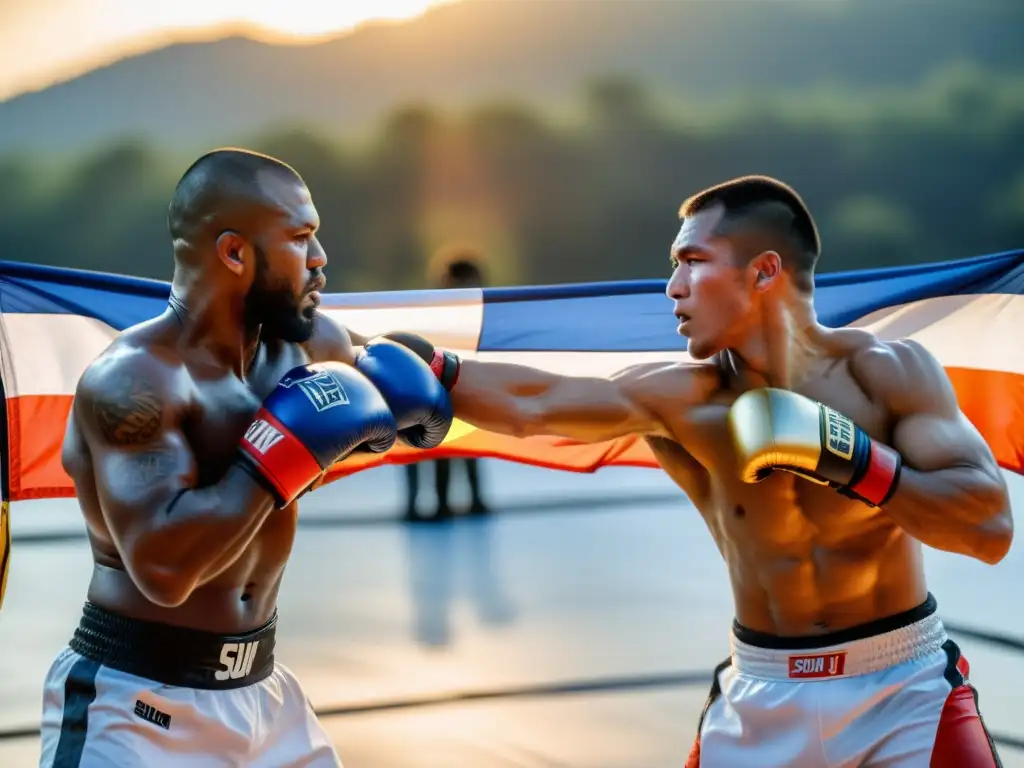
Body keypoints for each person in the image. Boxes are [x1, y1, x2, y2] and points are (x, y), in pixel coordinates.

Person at [374, 176, 1013, 766]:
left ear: (764, 272)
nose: (673, 287)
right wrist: (428, 368)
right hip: (762, 696)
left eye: (692, 262)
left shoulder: (888, 374)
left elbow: (988, 528)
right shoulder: (678, 400)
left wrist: (855, 461)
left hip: (903, 694)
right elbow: (534, 401)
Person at [40, 148, 453, 767]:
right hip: (136, 708)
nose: (320, 259)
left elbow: (440, 385)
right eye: (301, 237)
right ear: (235, 253)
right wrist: (273, 460)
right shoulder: (135, 383)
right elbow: (162, 572)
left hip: (265, 695)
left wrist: (438, 376)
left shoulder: (310, 347)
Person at [403, 247, 490, 522]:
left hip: (461, 391)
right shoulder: (430, 311)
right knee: (425, 446)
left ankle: (471, 500)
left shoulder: (480, 313)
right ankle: (422, 504)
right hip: (429, 393)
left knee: (466, 447)